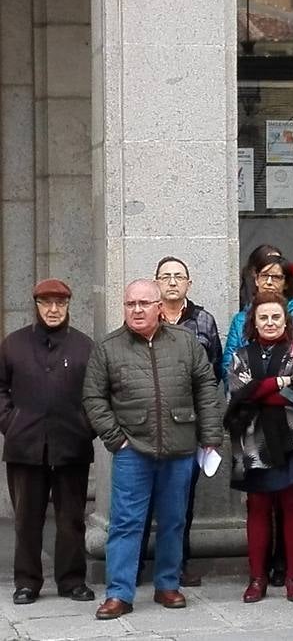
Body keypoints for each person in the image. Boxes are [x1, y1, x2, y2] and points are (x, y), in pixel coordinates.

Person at [82, 279, 223, 620]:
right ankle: (119, 593)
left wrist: (210, 436)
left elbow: (205, 386)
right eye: (131, 304)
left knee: (174, 521)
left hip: (180, 448)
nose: (137, 310)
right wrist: (117, 439)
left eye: (144, 303)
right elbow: (93, 397)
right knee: (126, 523)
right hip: (133, 450)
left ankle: (167, 585)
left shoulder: (186, 343)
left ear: (160, 307)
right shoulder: (108, 347)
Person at [0, 279, 95, 605]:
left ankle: (72, 580)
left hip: (72, 446)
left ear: (68, 305)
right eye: (46, 303)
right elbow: (0, 390)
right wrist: (10, 423)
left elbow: (98, 395)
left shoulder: (85, 346)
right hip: (24, 447)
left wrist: (86, 426)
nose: (53, 310)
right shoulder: (13, 344)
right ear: (36, 305)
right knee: (27, 519)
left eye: (60, 303)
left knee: (71, 519)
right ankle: (27, 582)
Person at [225, 293, 293, 604]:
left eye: (276, 317)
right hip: (251, 440)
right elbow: (239, 392)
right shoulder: (240, 354)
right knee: (257, 507)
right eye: (264, 317)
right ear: (253, 322)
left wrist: (262, 389)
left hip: (292, 437)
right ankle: (257, 578)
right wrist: (278, 382)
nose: (270, 322)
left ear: (285, 320)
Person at [146, 256, 222, 588]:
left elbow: (215, 370)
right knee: (143, 500)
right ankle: (135, 564)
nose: (173, 282)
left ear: (189, 283)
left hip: (188, 422)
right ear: (156, 282)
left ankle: (178, 564)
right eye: (166, 277)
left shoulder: (203, 320)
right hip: (149, 423)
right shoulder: (147, 316)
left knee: (181, 501)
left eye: (179, 276)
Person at [224, 251, 293, 381]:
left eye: (276, 277)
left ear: (286, 282)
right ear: (256, 280)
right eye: (264, 276)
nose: (269, 282)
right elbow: (228, 365)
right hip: (248, 395)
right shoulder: (241, 319)